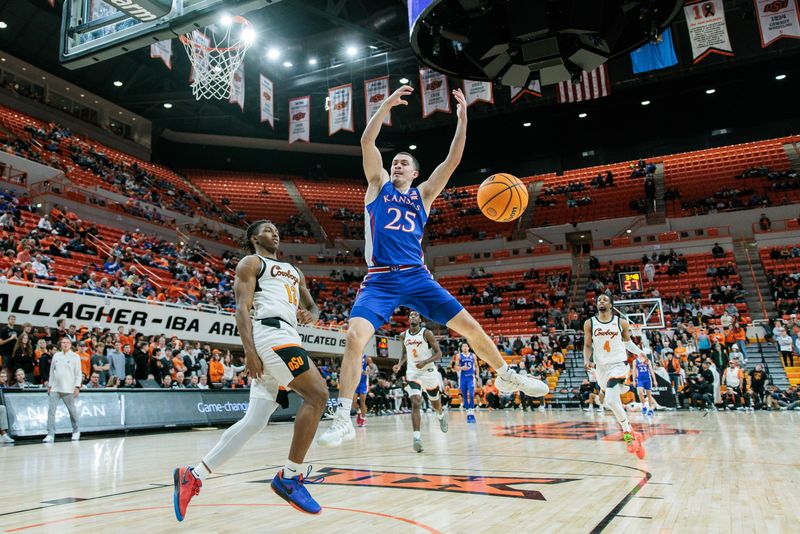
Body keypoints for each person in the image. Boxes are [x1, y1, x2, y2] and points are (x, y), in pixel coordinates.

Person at [318, 85, 548, 447]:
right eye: (395, 160)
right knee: (353, 339)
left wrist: (463, 120)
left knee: (470, 327)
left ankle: (505, 375)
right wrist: (385, 106)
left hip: (416, 276)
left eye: (405, 162)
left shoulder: (423, 195)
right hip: (379, 280)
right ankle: (343, 417)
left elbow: (452, 161)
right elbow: (366, 142)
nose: (397, 163)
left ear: (415, 173)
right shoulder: (377, 186)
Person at [173, 220, 329, 520]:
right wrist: (249, 351)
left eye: (277, 229)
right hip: (270, 335)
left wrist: (310, 315)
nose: (275, 232)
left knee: (254, 422)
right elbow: (241, 308)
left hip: (289, 334)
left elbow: (313, 307)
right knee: (318, 395)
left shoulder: (295, 271)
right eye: (269, 229)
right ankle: (289, 476)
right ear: (254, 238)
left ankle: (193, 475)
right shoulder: (251, 262)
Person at [583, 295, 646, 459]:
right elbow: (587, 345)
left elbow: (627, 342)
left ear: (611, 304)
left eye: (604, 299)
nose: (601, 301)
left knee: (610, 400)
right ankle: (634, 435)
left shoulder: (621, 322)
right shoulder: (590, 323)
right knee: (612, 401)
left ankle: (628, 434)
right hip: (601, 368)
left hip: (618, 365)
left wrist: (640, 353)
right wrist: (586, 360)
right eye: (599, 300)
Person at [392, 311, 448, 452]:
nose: (413, 316)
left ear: (420, 319)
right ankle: (416, 437)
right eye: (411, 315)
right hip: (412, 372)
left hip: (428, 371)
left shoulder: (426, 333)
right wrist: (399, 364)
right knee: (416, 401)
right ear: (408, 319)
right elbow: (405, 353)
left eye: (416, 315)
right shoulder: (403, 335)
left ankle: (440, 415)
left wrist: (425, 362)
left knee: (435, 401)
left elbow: (439, 353)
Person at [43, 338, 82, 443]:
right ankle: (50, 434)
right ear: (61, 345)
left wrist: (77, 387)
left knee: (72, 411)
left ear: (70, 344)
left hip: (69, 388)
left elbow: (78, 374)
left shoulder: (75, 356)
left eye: (67, 343)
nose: (65, 344)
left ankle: (76, 431)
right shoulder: (56, 355)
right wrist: (50, 385)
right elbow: (52, 372)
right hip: (55, 387)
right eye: (63, 343)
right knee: (51, 411)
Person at [453, 342, 477, 423]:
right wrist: (462, 367)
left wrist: (478, 375)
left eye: (466, 346)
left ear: (468, 347)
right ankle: (468, 414)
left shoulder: (473, 355)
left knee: (471, 394)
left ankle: (472, 413)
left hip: (471, 377)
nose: (465, 347)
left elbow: (476, 366)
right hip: (462, 378)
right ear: (461, 348)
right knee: (464, 395)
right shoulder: (459, 356)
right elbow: (455, 367)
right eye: (463, 346)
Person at [632, 352, 657, 418]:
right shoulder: (635, 361)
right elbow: (634, 371)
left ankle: (650, 409)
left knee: (649, 395)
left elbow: (651, 370)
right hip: (640, 379)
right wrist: (634, 380)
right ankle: (643, 405)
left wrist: (654, 380)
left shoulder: (647, 360)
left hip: (647, 379)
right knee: (640, 392)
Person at [354, 355, 371, 428]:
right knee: (353, 401)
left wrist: (366, 371)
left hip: (363, 383)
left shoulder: (367, 357)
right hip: (355, 382)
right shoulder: (354, 357)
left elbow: (372, 368)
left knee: (362, 402)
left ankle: (363, 418)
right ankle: (358, 412)